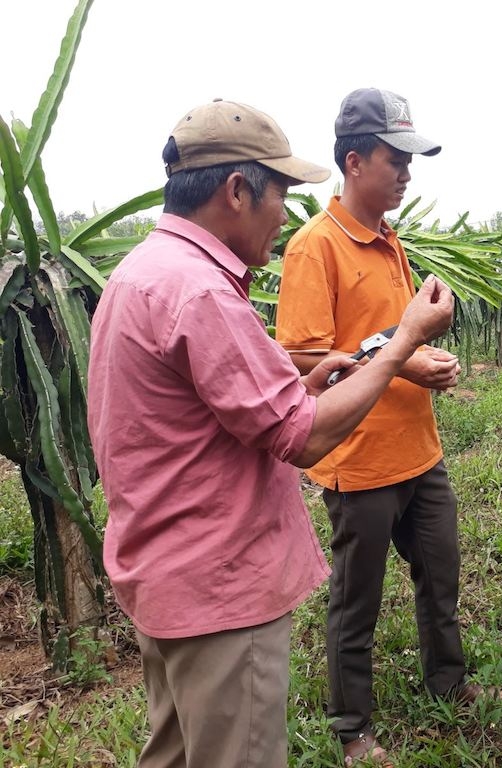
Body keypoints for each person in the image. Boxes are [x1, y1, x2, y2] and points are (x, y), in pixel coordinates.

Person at [86, 98, 455, 768]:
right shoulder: (202, 292)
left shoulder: (140, 274)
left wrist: (301, 383)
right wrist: (401, 345)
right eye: (279, 194)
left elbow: (214, 407)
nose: (284, 214)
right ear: (236, 190)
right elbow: (303, 438)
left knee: (174, 751)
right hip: (218, 585)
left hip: (166, 570)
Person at [275, 87, 502, 766]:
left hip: (419, 450)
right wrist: (407, 361)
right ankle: (352, 728)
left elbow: (387, 334)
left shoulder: (388, 240)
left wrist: (426, 350)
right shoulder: (314, 248)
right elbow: (303, 353)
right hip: (360, 453)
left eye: (411, 159)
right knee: (357, 597)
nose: (406, 172)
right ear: (353, 161)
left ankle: (449, 683)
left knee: (441, 574)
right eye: (394, 158)